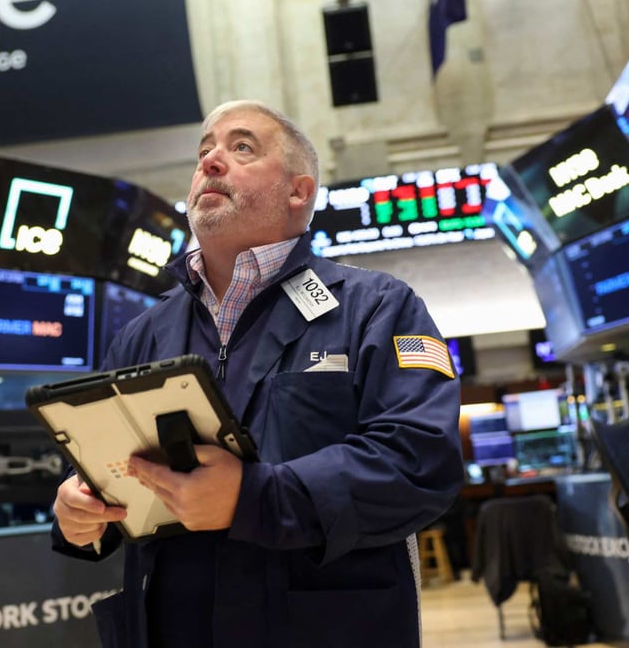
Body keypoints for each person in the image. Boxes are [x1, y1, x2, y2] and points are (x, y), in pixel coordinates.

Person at [51, 99, 463, 648]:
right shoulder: (141, 333)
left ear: (299, 191)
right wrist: (79, 516)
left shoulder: (378, 308)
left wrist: (253, 498)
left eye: (241, 147)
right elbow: (95, 472)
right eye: (204, 152)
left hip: (327, 630)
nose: (211, 162)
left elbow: (420, 462)